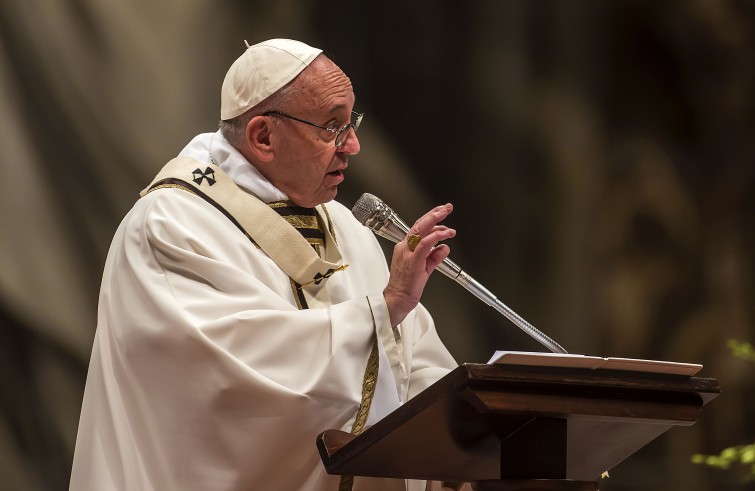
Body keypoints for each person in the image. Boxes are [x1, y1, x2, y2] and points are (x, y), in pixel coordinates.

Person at [70, 38, 461, 491]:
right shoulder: (170, 225)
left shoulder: (344, 226)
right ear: (262, 137)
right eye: (332, 127)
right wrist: (385, 309)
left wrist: (460, 435)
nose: (352, 145)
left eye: (351, 122)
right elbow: (232, 380)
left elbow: (412, 360)